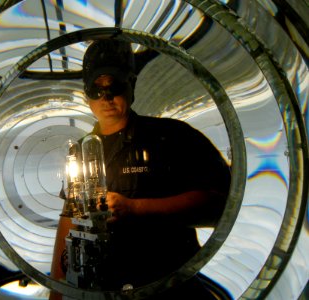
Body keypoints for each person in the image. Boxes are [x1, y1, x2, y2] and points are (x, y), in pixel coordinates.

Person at [50, 39, 231, 299]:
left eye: (115, 85)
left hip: (171, 287)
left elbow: (221, 207)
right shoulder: (79, 153)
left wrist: (135, 208)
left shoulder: (173, 137)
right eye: (96, 89)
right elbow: (69, 219)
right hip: (108, 289)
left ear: (132, 85)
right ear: (86, 95)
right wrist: (58, 292)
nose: (106, 97)